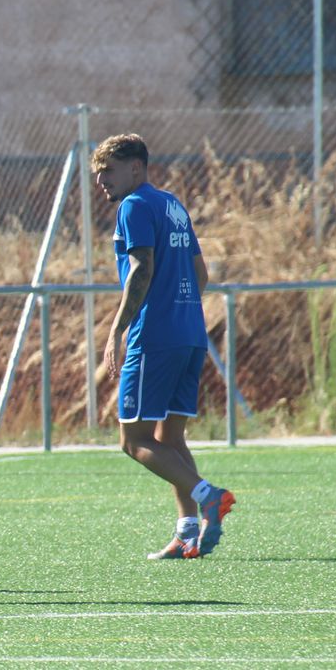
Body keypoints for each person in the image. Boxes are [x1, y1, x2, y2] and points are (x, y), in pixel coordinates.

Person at [93, 132, 235, 560]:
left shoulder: (133, 205)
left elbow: (141, 268)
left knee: (133, 441)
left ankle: (209, 495)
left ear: (136, 167)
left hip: (154, 335)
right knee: (169, 437)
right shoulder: (173, 205)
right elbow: (201, 273)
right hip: (190, 333)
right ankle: (188, 531)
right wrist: (181, 306)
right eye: (98, 175)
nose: (102, 181)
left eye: (109, 172)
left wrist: (118, 329)